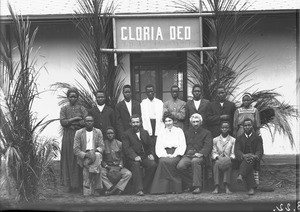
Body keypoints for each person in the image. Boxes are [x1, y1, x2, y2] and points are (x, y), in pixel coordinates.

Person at [150, 112, 186, 194]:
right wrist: (166, 155)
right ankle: (163, 189)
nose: (168, 123)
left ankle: (175, 188)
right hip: (164, 153)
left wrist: (174, 154)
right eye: (166, 121)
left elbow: (182, 145)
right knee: (163, 161)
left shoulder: (179, 131)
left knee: (172, 162)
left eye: (170, 120)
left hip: (176, 153)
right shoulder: (161, 132)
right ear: (164, 122)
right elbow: (159, 146)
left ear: (173, 121)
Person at [177, 113, 213, 194]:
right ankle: (191, 183)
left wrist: (201, 153)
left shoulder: (207, 133)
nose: (195, 124)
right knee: (180, 166)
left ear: (201, 122)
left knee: (195, 161)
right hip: (188, 155)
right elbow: (182, 144)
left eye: (197, 121)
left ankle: (197, 186)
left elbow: (208, 146)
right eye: (194, 122)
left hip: (200, 156)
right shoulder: (187, 133)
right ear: (191, 123)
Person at [60, 87, 87, 192]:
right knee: (68, 157)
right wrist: (75, 119)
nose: (73, 98)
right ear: (68, 97)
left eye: (75, 96)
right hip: (68, 136)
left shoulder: (82, 108)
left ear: (77, 97)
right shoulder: (64, 109)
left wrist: (70, 122)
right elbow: (63, 123)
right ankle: (69, 185)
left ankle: (79, 184)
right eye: (71, 96)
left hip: (79, 135)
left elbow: (85, 121)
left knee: (78, 158)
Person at [122, 114, 157, 196]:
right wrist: (134, 157)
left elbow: (150, 145)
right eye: (133, 122)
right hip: (132, 158)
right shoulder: (126, 134)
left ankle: (145, 186)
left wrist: (151, 154)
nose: (135, 124)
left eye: (137, 122)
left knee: (153, 165)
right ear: (130, 123)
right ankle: (139, 189)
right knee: (136, 164)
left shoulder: (144, 132)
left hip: (144, 157)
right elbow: (126, 148)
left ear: (140, 123)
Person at [73, 115, 104, 196]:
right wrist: (86, 155)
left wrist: (93, 151)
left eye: (91, 121)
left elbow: (102, 146)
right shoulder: (79, 132)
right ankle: (97, 188)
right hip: (84, 156)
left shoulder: (98, 132)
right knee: (98, 166)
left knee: (96, 155)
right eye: (87, 121)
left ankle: (88, 181)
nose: (89, 122)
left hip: (95, 153)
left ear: (93, 122)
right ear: (84, 122)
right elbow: (75, 149)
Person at [234, 118, 264, 195]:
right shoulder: (239, 138)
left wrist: (254, 156)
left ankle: (241, 175)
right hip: (242, 159)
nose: (247, 127)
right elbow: (237, 150)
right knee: (247, 162)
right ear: (243, 127)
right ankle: (251, 188)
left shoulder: (257, 138)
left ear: (252, 126)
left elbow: (260, 150)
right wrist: (243, 156)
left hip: (254, 160)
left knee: (249, 161)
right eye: (245, 125)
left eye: (249, 125)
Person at [101, 127, 132, 196]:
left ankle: (117, 188)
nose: (110, 135)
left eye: (111, 133)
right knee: (100, 173)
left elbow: (122, 157)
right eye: (108, 133)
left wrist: (120, 166)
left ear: (114, 134)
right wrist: (106, 166)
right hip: (108, 167)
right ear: (106, 135)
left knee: (128, 174)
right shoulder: (103, 144)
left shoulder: (119, 144)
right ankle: (111, 188)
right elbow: (102, 159)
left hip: (118, 167)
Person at [211, 121, 235, 194]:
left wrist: (229, 158)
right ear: (220, 128)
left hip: (228, 158)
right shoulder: (215, 140)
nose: (224, 129)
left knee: (227, 163)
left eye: (226, 128)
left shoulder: (233, 140)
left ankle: (226, 186)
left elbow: (233, 153)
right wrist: (218, 157)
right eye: (223, 128)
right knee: (217, 164)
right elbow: (213, 152)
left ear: (229, 129)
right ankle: (216, 186)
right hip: (218, 159)